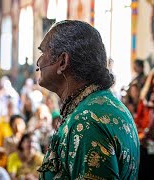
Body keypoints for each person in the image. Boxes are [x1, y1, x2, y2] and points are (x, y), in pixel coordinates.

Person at [36, 20, 140, 179]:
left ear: (62, 62)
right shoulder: (105, 104)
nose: (39, 62)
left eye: (43, 52)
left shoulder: (86, 121)